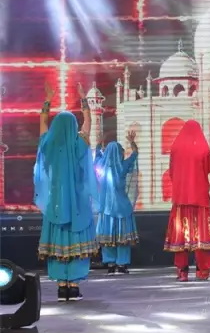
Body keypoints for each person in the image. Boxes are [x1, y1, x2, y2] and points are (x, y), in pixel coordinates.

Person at [35, 82, 99, 302]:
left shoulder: (47, 145)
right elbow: (88, 124)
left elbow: (43, 124)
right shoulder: (79, 143)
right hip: (78, 203)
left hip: (55, 203)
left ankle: (62, 287)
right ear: (73, 127)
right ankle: (73, 285)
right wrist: (84, 101)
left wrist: (47, 101)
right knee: (76, 238)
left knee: (57, 240)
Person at [164, 120, 210, 282]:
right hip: (199, 197)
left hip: (181, 197)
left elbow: (172, 172)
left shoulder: (175, 148)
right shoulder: (203, 148)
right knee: (201, 234)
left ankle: (182, 272)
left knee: (181, 234)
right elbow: (208, 168)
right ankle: (203, 272)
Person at [94, 133, 139, 275]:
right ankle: (122, 264)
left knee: (107, 238)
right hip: (122, 208)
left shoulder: (101, 167)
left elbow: (97, 156)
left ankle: (111, 264)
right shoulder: (123, 166)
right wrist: (132, 142)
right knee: (123, 238)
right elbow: (135, 154)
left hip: (106, 209)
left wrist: (99, 143)